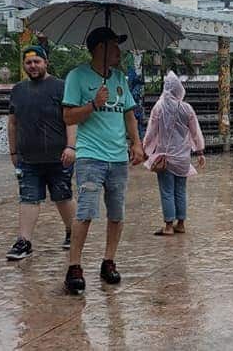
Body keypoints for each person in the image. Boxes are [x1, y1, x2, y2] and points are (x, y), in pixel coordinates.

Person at [62, 27, 146, 294]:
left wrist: (137, 143)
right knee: (85, 212)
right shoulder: (77, 77)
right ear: (100, 48)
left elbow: (129, 113)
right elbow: (68, 117)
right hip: (90, 157)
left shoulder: (120, 78)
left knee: (117, 213)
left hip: (118, 158)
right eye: (115, 45)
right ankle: (74, 266)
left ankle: (108, 261)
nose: (119, 51)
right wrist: (94, 104)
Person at [5, 45, 77, 260]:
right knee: (28, 198)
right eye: (28, 62)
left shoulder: (61, 87)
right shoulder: (18, 90)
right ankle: (24, 241)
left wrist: (71, 146)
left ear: (46, 62)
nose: (33, 66)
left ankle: (73, 233)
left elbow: (70, 120)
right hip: (28, 158)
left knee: (62, 196)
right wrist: (13, 152)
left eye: (37, 61)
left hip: (59, 157)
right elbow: (12, 123)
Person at [143, 72, 206, 236]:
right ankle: (181, 224)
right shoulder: (187, 108)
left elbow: (151, 132)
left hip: (165, 156)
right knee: (180, 191)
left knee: (167, 191)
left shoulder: (159, 107)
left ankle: (169, 226)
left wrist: (144, 149)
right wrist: (199, 151)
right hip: (183, 158)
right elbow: (195, 132)